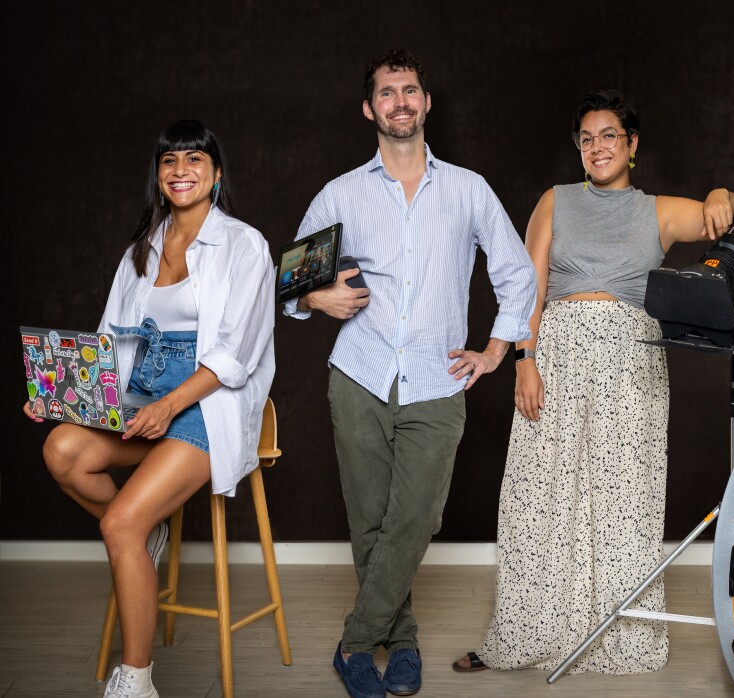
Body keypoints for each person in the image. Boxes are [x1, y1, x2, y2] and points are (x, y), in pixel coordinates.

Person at [453, 89, 734, 676]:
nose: (597, 148)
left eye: (609, 136)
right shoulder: (556, 201)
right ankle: (523, 633)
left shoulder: (658, 210)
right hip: (556, 353)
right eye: (587, 139)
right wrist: (524, 359)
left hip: (630, 360)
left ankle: (622, 638)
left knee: (624, 499)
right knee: (535, 498)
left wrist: (721, 195)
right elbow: (527, 288)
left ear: (632, 144)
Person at [283, 50, 536, 698]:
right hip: (360, 375)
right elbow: (291, 284)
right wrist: (319, 298)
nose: (400, 100)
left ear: (426, 103)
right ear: (370, 108)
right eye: (387, 92)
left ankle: (354, 643)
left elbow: (518, 275)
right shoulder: (342, 192)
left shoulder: (467, 189)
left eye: (410, 90)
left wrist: (495, 351)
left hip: (437, 378)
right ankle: (404, 643)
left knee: (415, 519)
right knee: (369, 521)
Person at [27, 119, 276, 698]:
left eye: (194, 159)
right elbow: (108, 343)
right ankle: (144, 531)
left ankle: (135, 680)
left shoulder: (245, 245)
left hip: (203, 404)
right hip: (138, 400)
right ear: (158, 176)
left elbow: (236, 355)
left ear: (215, 175)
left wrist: (169, 406)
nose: (181, 170)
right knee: (61, 448)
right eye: (169, 161)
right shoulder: (140, 250)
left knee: (118, 522)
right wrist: (62, 391)